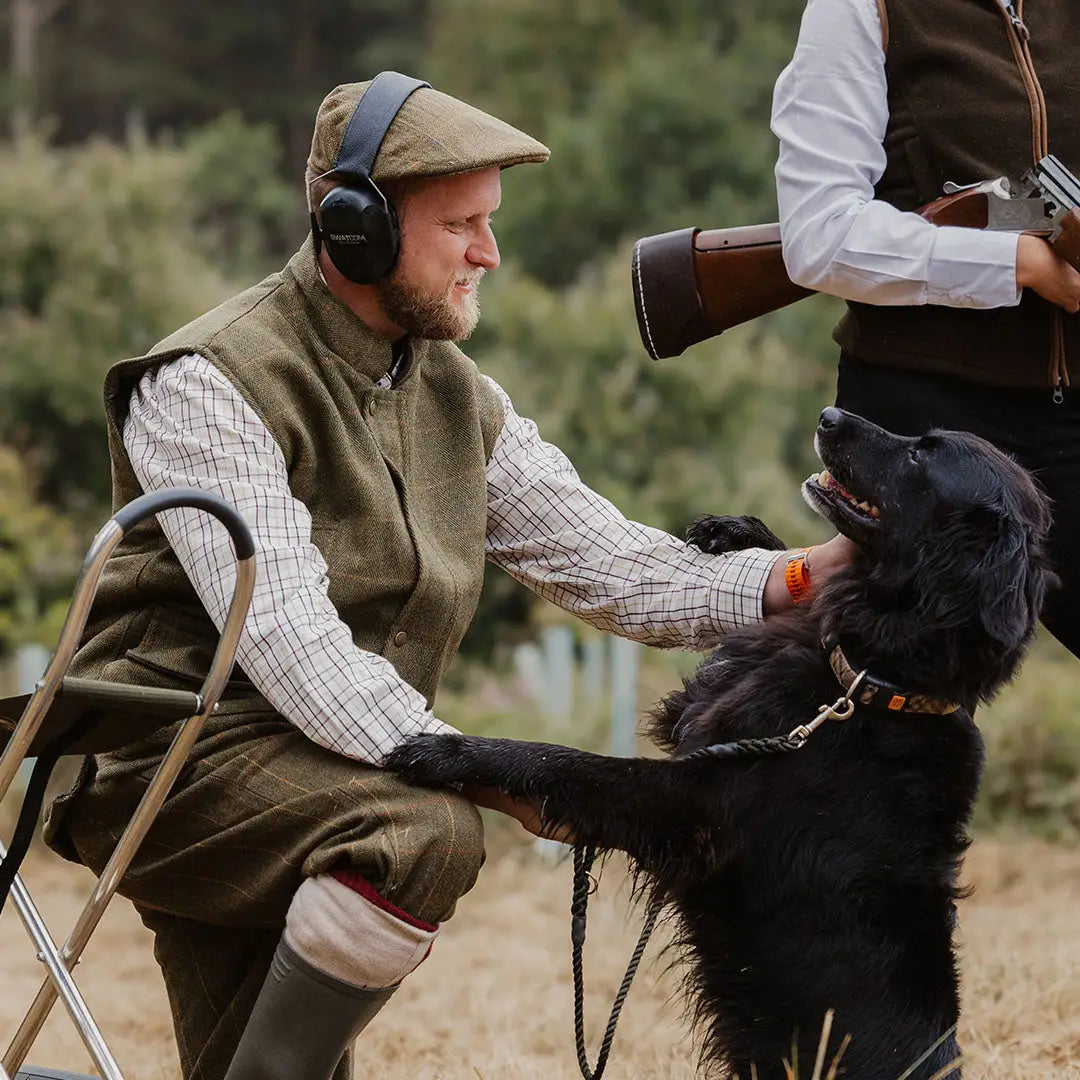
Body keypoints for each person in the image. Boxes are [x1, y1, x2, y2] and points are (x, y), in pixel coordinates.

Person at [46, 75, 854, 1080]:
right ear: (357, 231)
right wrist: (490, 773)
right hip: (165, 765)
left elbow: (603, 561)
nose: (490, 253)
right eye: (461, 224)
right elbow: (293, 645)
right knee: (424, 833)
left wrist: (796, 581)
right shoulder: (207, 383)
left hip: (312, 772)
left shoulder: (455, 394)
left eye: (490, 222)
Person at [771, 0, 1080, 655]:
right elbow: (820, 234)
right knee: (882, 715)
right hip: (926, 426)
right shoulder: (861, 7)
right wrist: (1015, 260)